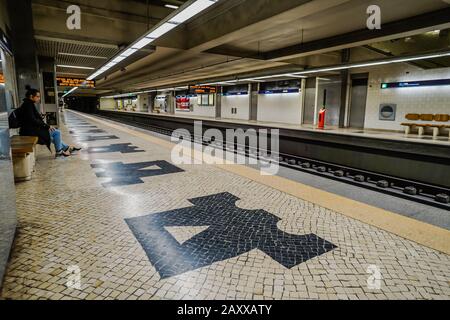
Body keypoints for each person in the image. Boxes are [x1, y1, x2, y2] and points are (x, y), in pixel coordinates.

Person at [19, 85, 81, 157]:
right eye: (37, 96)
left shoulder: (28, 104)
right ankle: (59, 152)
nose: (39, 98)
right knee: (56, 133)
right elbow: (32, 120)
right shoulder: (28, 105)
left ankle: (67, 148)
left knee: (52, 136)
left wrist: (41, 118)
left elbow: (32, 118)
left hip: (30, 129)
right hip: (29, 131)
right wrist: (47, 126)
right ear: (31, 96)